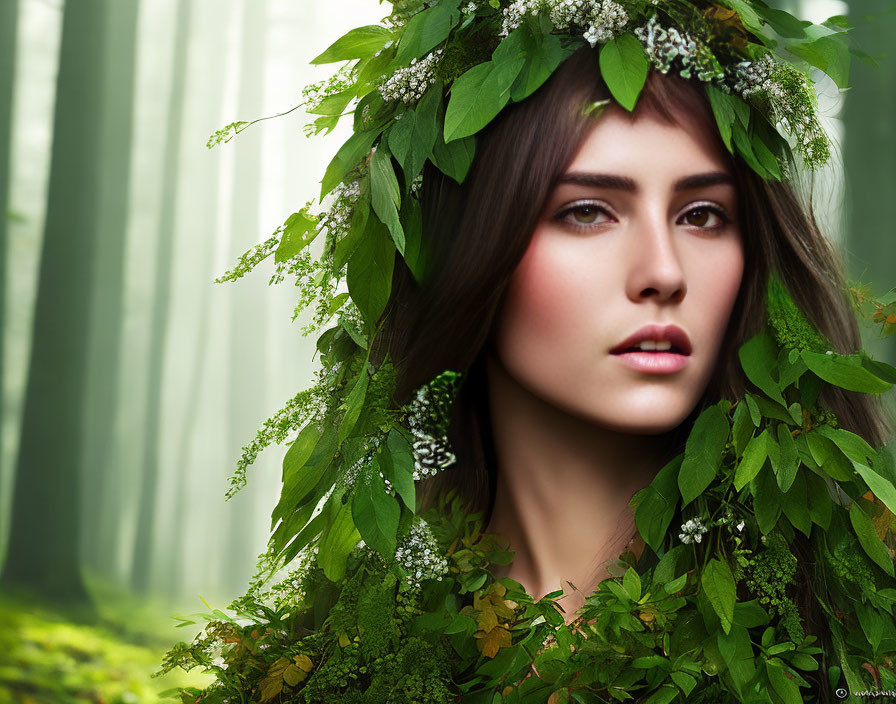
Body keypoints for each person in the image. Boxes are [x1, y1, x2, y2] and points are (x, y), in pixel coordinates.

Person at [161, 3, 896, 702]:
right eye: (586, 211)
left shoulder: (858, 642)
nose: (664, 273)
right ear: (469, 248)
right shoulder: (338, 663)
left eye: (702, 215)